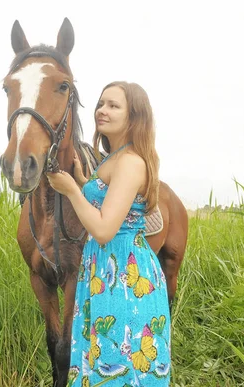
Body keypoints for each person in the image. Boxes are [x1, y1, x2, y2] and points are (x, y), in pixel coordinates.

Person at [47, 81, 171, 386]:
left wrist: (73, 191)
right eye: (101, 103)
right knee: (103, 356)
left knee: (119, 359)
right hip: (106, 270)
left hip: (124, 273)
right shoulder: (116, 158)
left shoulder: (130, 162)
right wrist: (85, 181)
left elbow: (103, 229)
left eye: (114, 106)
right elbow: (108, 197)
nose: (102, 110)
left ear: (134, 117)